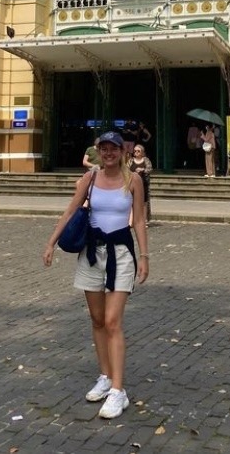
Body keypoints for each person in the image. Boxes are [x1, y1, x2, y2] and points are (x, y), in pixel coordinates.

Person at [43, 130, 149, 419]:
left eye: (114, 148)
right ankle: (105, 376)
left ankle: (118, 390)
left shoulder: (134, 180)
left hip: (122, 254)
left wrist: (144, 256)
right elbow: (70, 211)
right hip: (91, 253)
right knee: (97, 320)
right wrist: (51, 242)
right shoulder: (89, 179)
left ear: (123, 151)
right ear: (98, 152)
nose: (109, 153)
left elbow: (138, 220)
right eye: (104, 148)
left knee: (113, 321)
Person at [129, 144, 153, 223]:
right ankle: (132, 219)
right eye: (135, 151)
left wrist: (142, 169)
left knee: (144, 202)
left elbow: (149, 169)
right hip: (132, 184)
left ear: (142, 152)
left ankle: (144, 219)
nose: (136, 152)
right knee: (132, 202)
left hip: (143, 184)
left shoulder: (145, 160)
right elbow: (126, 170)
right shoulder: (131, 160)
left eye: (138, 151)